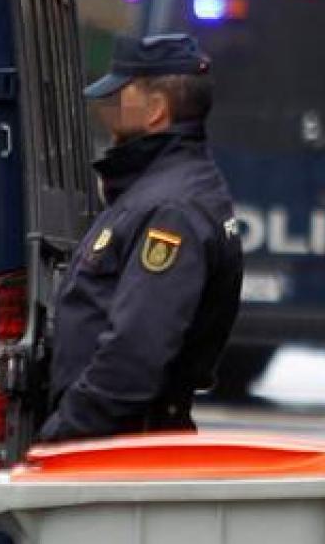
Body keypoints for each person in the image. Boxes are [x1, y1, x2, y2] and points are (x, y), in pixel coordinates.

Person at [38, 34, 244, 443]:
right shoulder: (159, 190)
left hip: (119, 447)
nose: (105, 106)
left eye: (119, 94)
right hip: (122, 439)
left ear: (155, 111)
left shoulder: (170, 210)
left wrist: (62, 437)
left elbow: (133, 354)